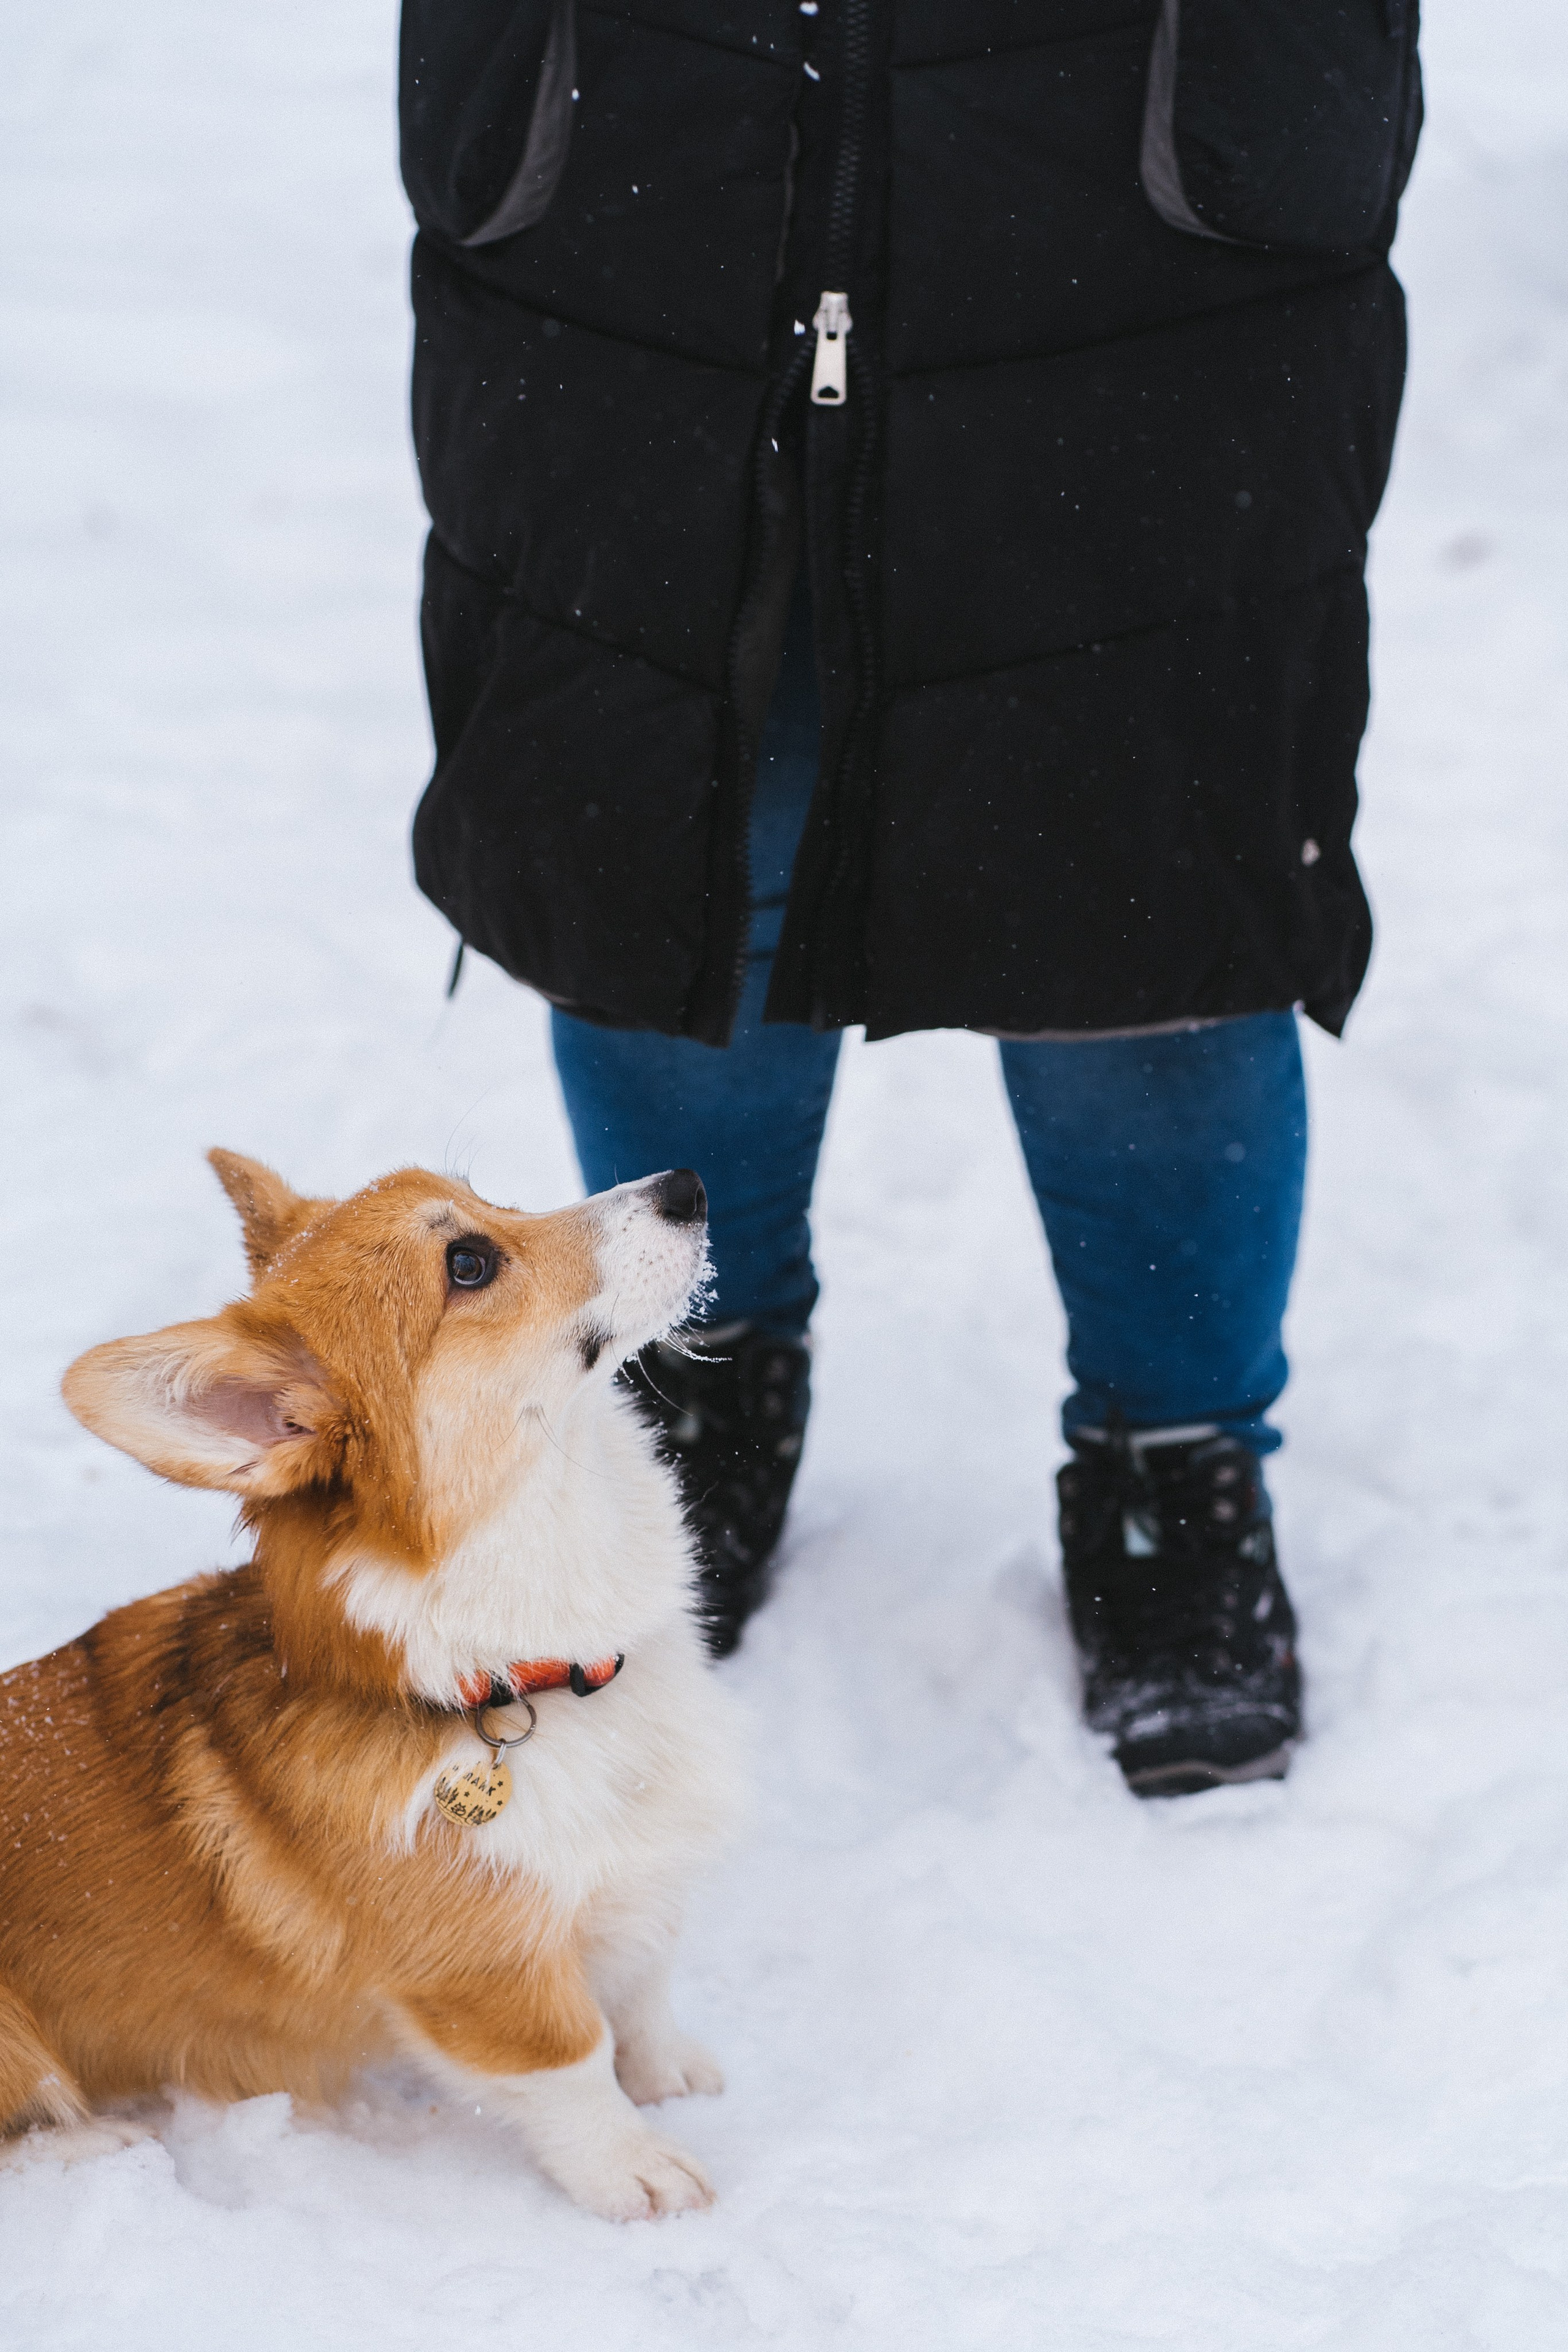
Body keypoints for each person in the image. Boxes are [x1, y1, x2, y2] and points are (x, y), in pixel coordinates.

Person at [398, 0, 1422, 1796]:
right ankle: (704, 1374)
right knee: (672, 820)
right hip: (648, 141)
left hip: (1146, 176)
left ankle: (1173, 1457)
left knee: (1139, 891)